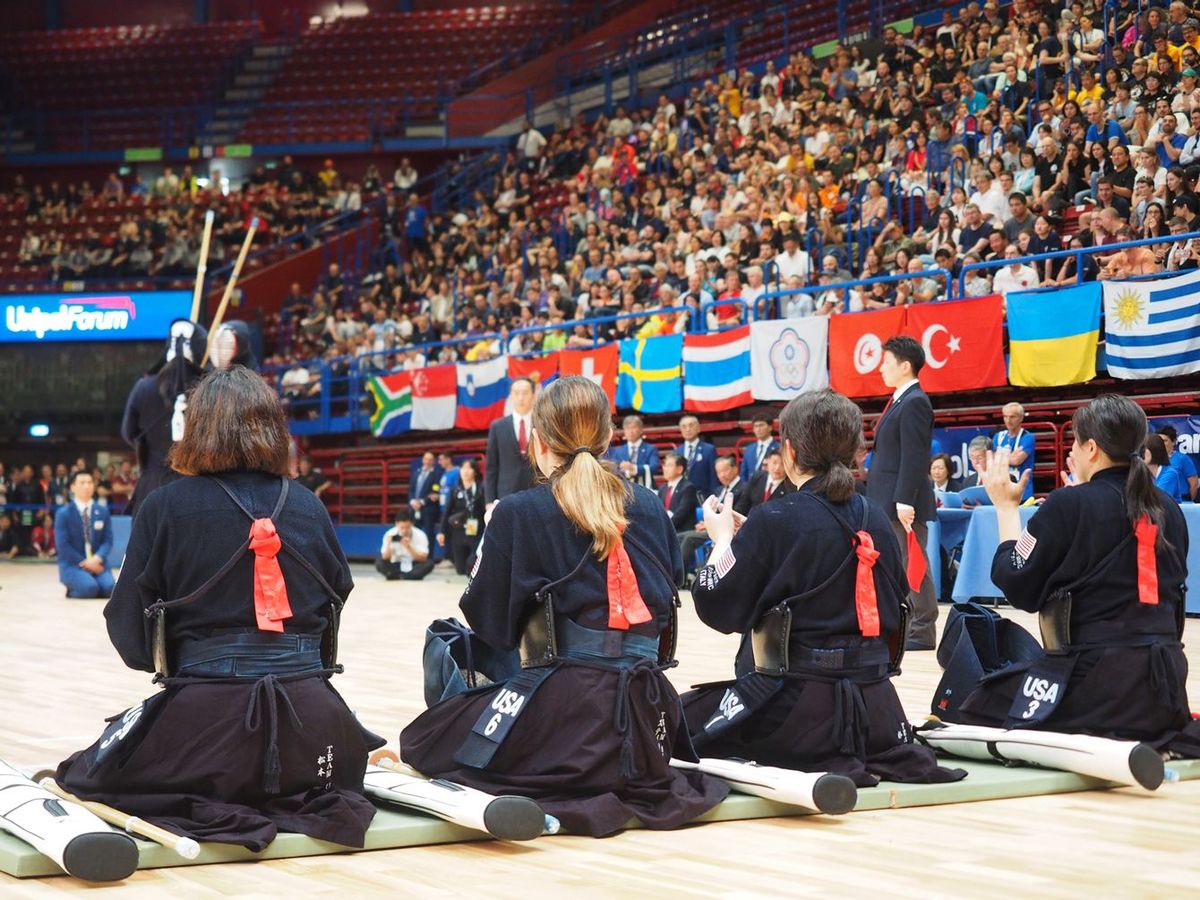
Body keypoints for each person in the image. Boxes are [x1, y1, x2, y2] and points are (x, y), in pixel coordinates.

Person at [56, 366, 383, 852]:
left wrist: (185, 666)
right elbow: (336, 599)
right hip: (314, 724)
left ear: (199, 428)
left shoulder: (166, 506)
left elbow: (128, 628)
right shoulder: (310, 507)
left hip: (207, 723)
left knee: (83, 774)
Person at [399, 376, 728, 836]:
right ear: (610, 437)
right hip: (646, 706)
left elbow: (489, 625)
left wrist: (494, 544)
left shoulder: (519, 511)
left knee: (422, 740)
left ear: (538, 442)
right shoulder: (651, 506)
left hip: (566, 711)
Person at [681, 390, 965, 785]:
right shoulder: (876, 518)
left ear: (791, 452)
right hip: (879, 709)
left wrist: (725, 542)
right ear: (854, 450)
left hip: (796, 710)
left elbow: (715, 605)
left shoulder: (775, 519)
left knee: (675, 720)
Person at [934, 395, 1199, 756]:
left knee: (972, 698)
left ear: (1091, 448)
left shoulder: (1068, 504)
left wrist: (1007, 508)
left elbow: (1016, 583)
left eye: (1074, 441)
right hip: (1165, 683)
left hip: (1098, 678)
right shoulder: (1169, 507)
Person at [866, 336, 937, 650]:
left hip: (901, 502)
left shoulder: (915, 402)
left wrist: (904, 500)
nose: (881, 368)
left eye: (887, 362)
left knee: (913, 563)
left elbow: (914, 456)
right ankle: (907, 624)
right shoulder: (899, 400)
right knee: (898, 563)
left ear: (905, 366)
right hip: (887, 500)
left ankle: (923, 629)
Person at [121, 319, 208, 514]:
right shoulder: (211, 388)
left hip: (152, 486)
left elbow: (129, 432)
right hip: (199, 488)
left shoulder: (143, 387)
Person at [53, 470, 115, 599]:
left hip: (98, 563)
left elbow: (108, 541)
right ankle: (73, 589)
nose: (86, 486)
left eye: (89, 482)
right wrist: (86, 563)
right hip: (73, 565)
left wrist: (97, 559)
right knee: (89, 588)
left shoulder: (102, 511)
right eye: (82, 483)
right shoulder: (63, 513)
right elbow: (63, 545)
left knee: (110, 588)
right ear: (73, 487)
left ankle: (91, 583)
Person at [484, 377, 536, 508]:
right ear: (511, 396)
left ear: (534, 395)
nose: (521, 397)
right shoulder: (498, 426)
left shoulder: (542, 424)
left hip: (537, 490)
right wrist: (489, 500)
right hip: (506, 494)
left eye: (525, 393)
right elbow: (491, 466)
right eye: (516, 393)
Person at [438, 458, 486, 576]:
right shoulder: (455, 490)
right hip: (458, 532)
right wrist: (441, 531)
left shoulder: (481, 489)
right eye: (463, 468)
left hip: (476, 531)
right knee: (460, 570)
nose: (465, 471)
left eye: (469, 468)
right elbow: (446, 512)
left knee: (471, 568)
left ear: (475, 471)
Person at [377, 507, 434, 581]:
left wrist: (409, 547)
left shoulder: (420, 534)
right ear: (396, 524)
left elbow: (423, 558)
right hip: (396, 564)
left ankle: (404, 576)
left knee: (429, 563)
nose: (404, 530)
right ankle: (403, 576)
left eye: (407, 527)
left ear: (412, 524)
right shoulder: (389, 534)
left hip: (413, 564)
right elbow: (385, 557)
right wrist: (389, 544)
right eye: (402, 527)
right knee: (379, 562)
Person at [992, 402, 1035, 500]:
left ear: (1021, 418)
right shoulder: (998, 436)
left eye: (1012, 417)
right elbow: (991, 458)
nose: (1008, 420)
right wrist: (1010, 456)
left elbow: (1016, 461)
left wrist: (999, 455)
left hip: (1022, 490)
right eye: (1005, 417)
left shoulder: (1028, 437)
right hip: (1001, 490)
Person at [607, 414, 661, 489]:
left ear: (641, 430)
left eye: (634, 427)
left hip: (646, 488)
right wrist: (626, 471)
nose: (631, 431)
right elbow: (614, 470)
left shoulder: (650, 449)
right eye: (628, 428)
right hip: (625, 489)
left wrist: (634, 468)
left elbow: (654, 468)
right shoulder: (618, 451)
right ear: (624, 431)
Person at [675, 415, 718, 499]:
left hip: (702, 497)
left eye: (691, 425)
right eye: (684, 427)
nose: (688, 429)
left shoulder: (709, 449)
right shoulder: (677, 451)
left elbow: (713, 478)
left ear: (698, 428)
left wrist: (713, 498)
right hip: (681, 498)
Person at [657, 452, 701, 536]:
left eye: (669, 465)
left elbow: (681, 514)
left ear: (680, 469)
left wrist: (665, 527)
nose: (665, 468)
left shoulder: (688, 487)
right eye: (664, 465)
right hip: (665, 530)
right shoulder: (662, 488)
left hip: (681, 531)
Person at [741, 448, 795, 514]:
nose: (777, 468)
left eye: (783, 464)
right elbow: (743, 503)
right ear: (767, 462)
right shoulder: (757, 477)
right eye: (774, 462)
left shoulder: (791, 487)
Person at [407, 451, 443, 546]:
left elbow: (435, 491)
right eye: (426, 459)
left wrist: (422, 502)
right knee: (413, 532)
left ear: (433, 461)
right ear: (423, 460)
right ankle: (415, 555)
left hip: (428, 509)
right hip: (414, 508)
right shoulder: (416, 472)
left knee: (428, 534)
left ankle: (429, 558)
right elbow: (411, 490)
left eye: (430, 460)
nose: (427, 461)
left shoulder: (437, 474)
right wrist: (412, 501)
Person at [1156, 425, 1198, 501]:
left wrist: (1189, 503)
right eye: (1159, 440)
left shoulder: (1182, 458)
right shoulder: (1153, 459)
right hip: (1159, 501)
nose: (1161, 443)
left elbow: (1194, 484)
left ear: (1173, 441)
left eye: (1165, 441)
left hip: (1181, 502)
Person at [1144, 434, 1188, 503]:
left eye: (1143, 450)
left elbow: (1158, 499)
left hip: (1167, 512)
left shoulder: (1170, 473)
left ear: (1154, 450)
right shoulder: (1141, 473)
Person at [739, 415, 780, 482]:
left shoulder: (779, 447)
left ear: (770, 427)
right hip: (751, 489)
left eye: (761, 425)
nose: (758, 429)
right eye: (756, 426)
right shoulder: (749, 449)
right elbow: (744, 474)